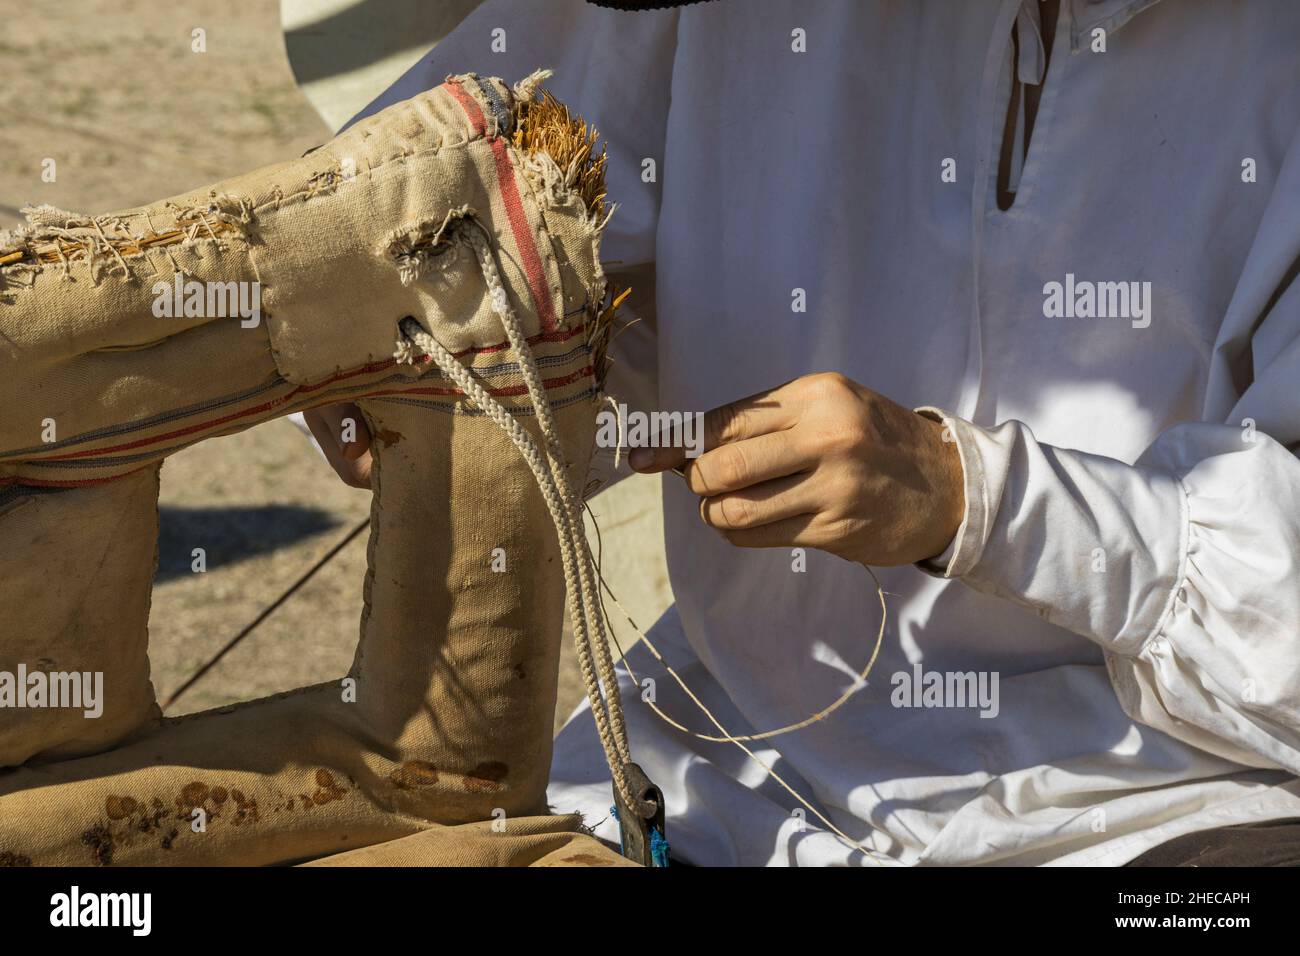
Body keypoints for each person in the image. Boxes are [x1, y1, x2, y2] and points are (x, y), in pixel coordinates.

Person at [305, 0, 1300, 865]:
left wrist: (964, 496)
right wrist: (415, 370)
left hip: (1165, 804)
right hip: (735, 762)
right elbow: (407, 201)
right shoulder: (697, 14)